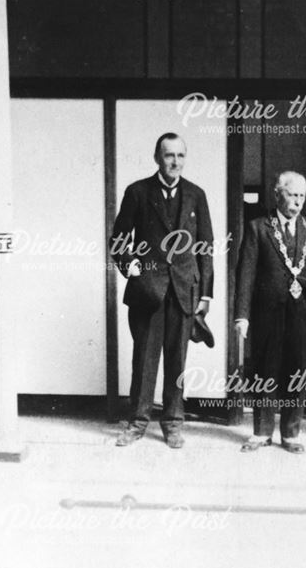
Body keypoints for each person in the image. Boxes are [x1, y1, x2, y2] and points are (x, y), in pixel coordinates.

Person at [110, 133, 213, 449]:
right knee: (144, 360)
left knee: (177, 362)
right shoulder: (138, 192)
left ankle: (173, 423)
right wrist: (131, 267)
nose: (175, 162)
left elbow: (205, 248)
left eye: (181, 156)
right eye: (169, 155)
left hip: (184, 290)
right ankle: (137, 422)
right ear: (157, 157)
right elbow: (118, 241)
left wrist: (206, 294)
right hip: (148, 292)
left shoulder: (196, 195)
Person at [234, 171, 306, 454]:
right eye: (292, 195)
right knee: (266, 371)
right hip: (267, 313)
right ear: (277, 194)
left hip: (303, 314)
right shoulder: (258, 228)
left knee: (298, 371)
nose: (298, 202)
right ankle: (262, 432)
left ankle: (291, 433)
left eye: (302, 196)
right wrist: (241, 315)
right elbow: (245, 275)